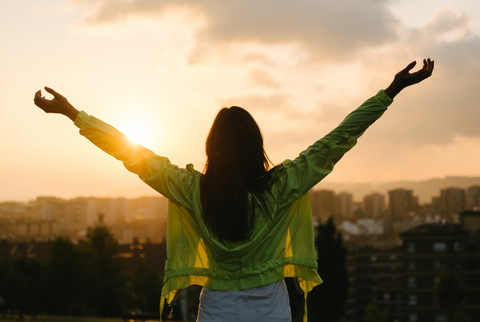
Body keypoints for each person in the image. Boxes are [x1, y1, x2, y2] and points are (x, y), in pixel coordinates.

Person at [34, 58, 434, 322]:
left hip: (217, 311)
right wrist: (390, 92)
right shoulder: (281, 185)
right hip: (273, 310)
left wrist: (73, 113)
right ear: (255, 144)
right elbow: (338, 139)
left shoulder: (190, 188)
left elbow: (129, 151)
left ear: (212, 147)